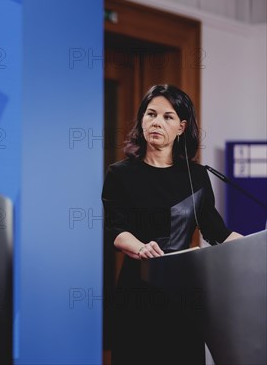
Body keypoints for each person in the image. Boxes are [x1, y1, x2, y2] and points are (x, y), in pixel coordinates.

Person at [102, 84, 243, 364]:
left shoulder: (197, 175)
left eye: (167, 116)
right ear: (142, 119)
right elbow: (116, 230)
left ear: (181, 127)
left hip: (183, 295)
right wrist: (141, 247)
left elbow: (216, 232)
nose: (156, 122)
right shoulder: (120, 173)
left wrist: (259, 245)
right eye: (151, 114)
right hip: (137, 292)